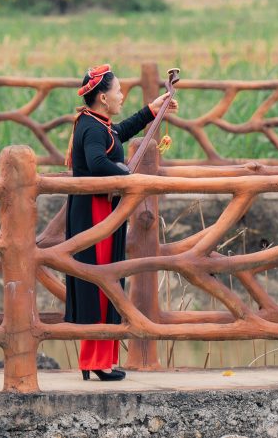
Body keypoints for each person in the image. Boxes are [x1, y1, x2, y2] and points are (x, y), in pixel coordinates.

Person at [64, 63, 177, 382]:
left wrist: (150, 111)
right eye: (118, 91)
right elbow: (99, 161)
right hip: (93, 213)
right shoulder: (90, 127)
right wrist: (129, 175)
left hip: (101, 210)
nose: (121, 95)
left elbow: (116, 135)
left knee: (106, 282)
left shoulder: (96, 123)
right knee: (101, 283)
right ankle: (96, 361)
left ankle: (99, 361)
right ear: (102, 97)